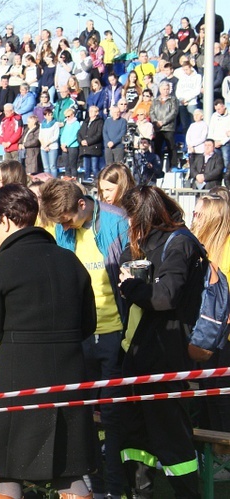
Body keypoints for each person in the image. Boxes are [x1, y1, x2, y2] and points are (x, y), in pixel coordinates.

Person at [0, 184, 96, 499]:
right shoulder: (71, 261)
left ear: (4, 221)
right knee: (68, 470)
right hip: (68, 374)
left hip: (18, 377)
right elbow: (88, 325)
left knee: (8, 469)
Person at [39, 178, 131, 498]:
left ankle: (116, 488)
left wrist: (127, 333)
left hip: (114, 334)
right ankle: (93, 484)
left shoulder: (116, 222)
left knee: (113, 417)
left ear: (82, 205)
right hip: (80, 336)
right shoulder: (64, 229)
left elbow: (131, 279)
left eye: (66, 218)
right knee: (81, 416)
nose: (64, 225)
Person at [117, 186, 203, 499]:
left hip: (167, 353)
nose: (130, 226)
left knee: (170, 436)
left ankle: (187, 494)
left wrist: (132, 288)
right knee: (135, 436)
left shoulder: (180, 242)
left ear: (147, 217)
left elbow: (165, 297)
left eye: (133, 220)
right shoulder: (151, 242)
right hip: (138, 351)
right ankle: (139, 492)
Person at [190, 194, 230, 432]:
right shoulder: (195, 243)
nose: (194, 218)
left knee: (221, 395)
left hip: (224, 338)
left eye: (199, 214)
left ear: (213, 218)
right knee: (205, 394)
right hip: (201, 333)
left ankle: (223, 455)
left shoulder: (226, 247)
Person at [150, 81, 179, 170]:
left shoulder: (173, 100)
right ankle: (157, 167)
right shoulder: (155, 100)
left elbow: (173, 113)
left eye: (167, 89)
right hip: (157, 128)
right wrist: (156, 122)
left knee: (171, 147)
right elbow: (151, 112)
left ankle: (173, 166)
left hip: (168, 127)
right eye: (164, 89)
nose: (166, 91)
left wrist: (162, 122)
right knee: (157, 148)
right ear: (160, 90)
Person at [78, 105, 105, 180]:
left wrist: (88, 141)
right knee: (86, 168)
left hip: (94, 148)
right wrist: (81, 141)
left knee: (94, 167)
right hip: (85, 148)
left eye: (92, 111)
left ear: (97, 113)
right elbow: (79, 133)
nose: (90, 113)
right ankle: (86, 181)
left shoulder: (100, 122)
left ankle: (97, 182)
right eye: (90, 111)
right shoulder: (86, 121)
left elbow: (99, 135)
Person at [59, 107, 81, 178]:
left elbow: (75, 135)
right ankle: (67, 180)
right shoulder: (67, 123)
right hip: (64, 147)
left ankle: (74, 180)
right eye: (66, 117)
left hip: (73, 147)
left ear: (72, 115)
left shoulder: (76, 123)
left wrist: (66, 144)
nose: (67, 118)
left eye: (68, 116)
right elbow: (63, 134)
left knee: (73, 165)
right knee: (66, 165)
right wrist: (62, 144)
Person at [39, 108, 60, 178]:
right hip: (43, 147)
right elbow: (40, 136)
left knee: (52, 166)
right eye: (48, 115)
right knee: (46, 167)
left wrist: (48, 143)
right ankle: (47, 180)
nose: (50, 116)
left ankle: (54, 180)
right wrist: (44, 145)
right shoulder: (42, 124)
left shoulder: (55, 124)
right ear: (45, 116)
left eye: (51, 115)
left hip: (52, 147)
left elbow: (55, 136)